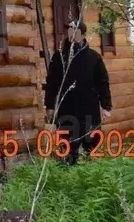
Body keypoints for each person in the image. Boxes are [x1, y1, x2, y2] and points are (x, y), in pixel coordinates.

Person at [45, 19, 112, 164]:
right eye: (69, 30)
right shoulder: (60, 57)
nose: (70, 34)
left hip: (89, 110)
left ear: (82, 35)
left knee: (92, 150)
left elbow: (103, 83)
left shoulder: (94, 58)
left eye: (74, 31)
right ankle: (69, 180)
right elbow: (52, 83)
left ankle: (93, 179)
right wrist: (50, 106)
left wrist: (106, 106)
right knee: (67, 150)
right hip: (67, 110)